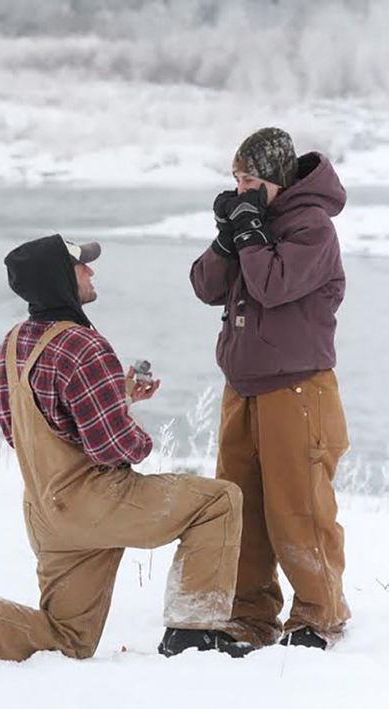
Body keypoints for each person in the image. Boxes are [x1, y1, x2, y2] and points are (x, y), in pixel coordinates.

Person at [0, 233, 247, 663]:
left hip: (46, 512)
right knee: (220, 501)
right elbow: (116, 448)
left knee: (70, 639)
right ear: (61, 279)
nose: (91, 271)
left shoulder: (7, 348)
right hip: (98, 503)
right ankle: (194, 633)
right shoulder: (83, 345)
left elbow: (30, 431)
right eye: (81, 266)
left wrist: (119, 395)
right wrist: (134, 428)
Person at [190, 127, 351, 651]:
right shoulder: (250, 222)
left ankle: (318, 613)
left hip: (298, 389)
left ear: (278, 179)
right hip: (243, 387)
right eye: (237, 179)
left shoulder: (313, 228)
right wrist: (225, 237)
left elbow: (272, 286)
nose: (242, 189)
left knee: (298, 505)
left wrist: (251, 232)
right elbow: (205, 287)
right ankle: (250, 612)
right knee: (242, 504)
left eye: (252, 179)